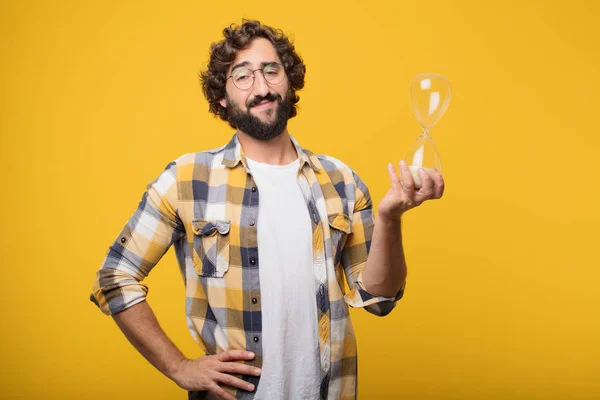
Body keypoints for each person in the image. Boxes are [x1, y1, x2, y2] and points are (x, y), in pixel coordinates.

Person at [90, 20, 444, 400]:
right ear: (222, 97)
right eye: (242, 76)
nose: (261, 88)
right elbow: (114, 277)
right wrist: (179, 367)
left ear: (288, 80)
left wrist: (391, 218)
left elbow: (379, 298)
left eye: (271, 70)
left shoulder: (342, 181)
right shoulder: (188, 179)